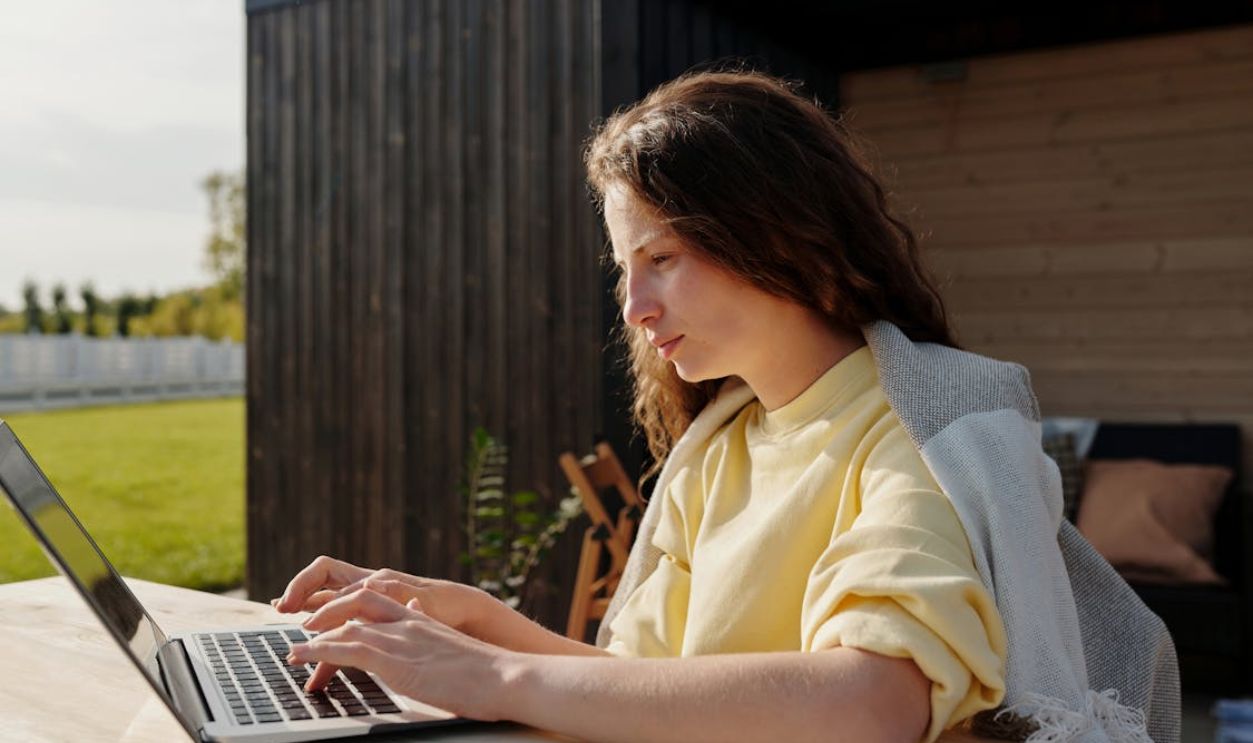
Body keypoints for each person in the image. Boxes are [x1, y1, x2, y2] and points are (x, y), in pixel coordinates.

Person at [273, 70, 1176, 743]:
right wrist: (467, 621)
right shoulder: (718, 445)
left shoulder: (921, 425)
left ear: (773, 226)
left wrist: (498, 671)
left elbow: (872, 701)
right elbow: (651, 689)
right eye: (624, 269)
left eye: (660, 257)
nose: (633, 308)